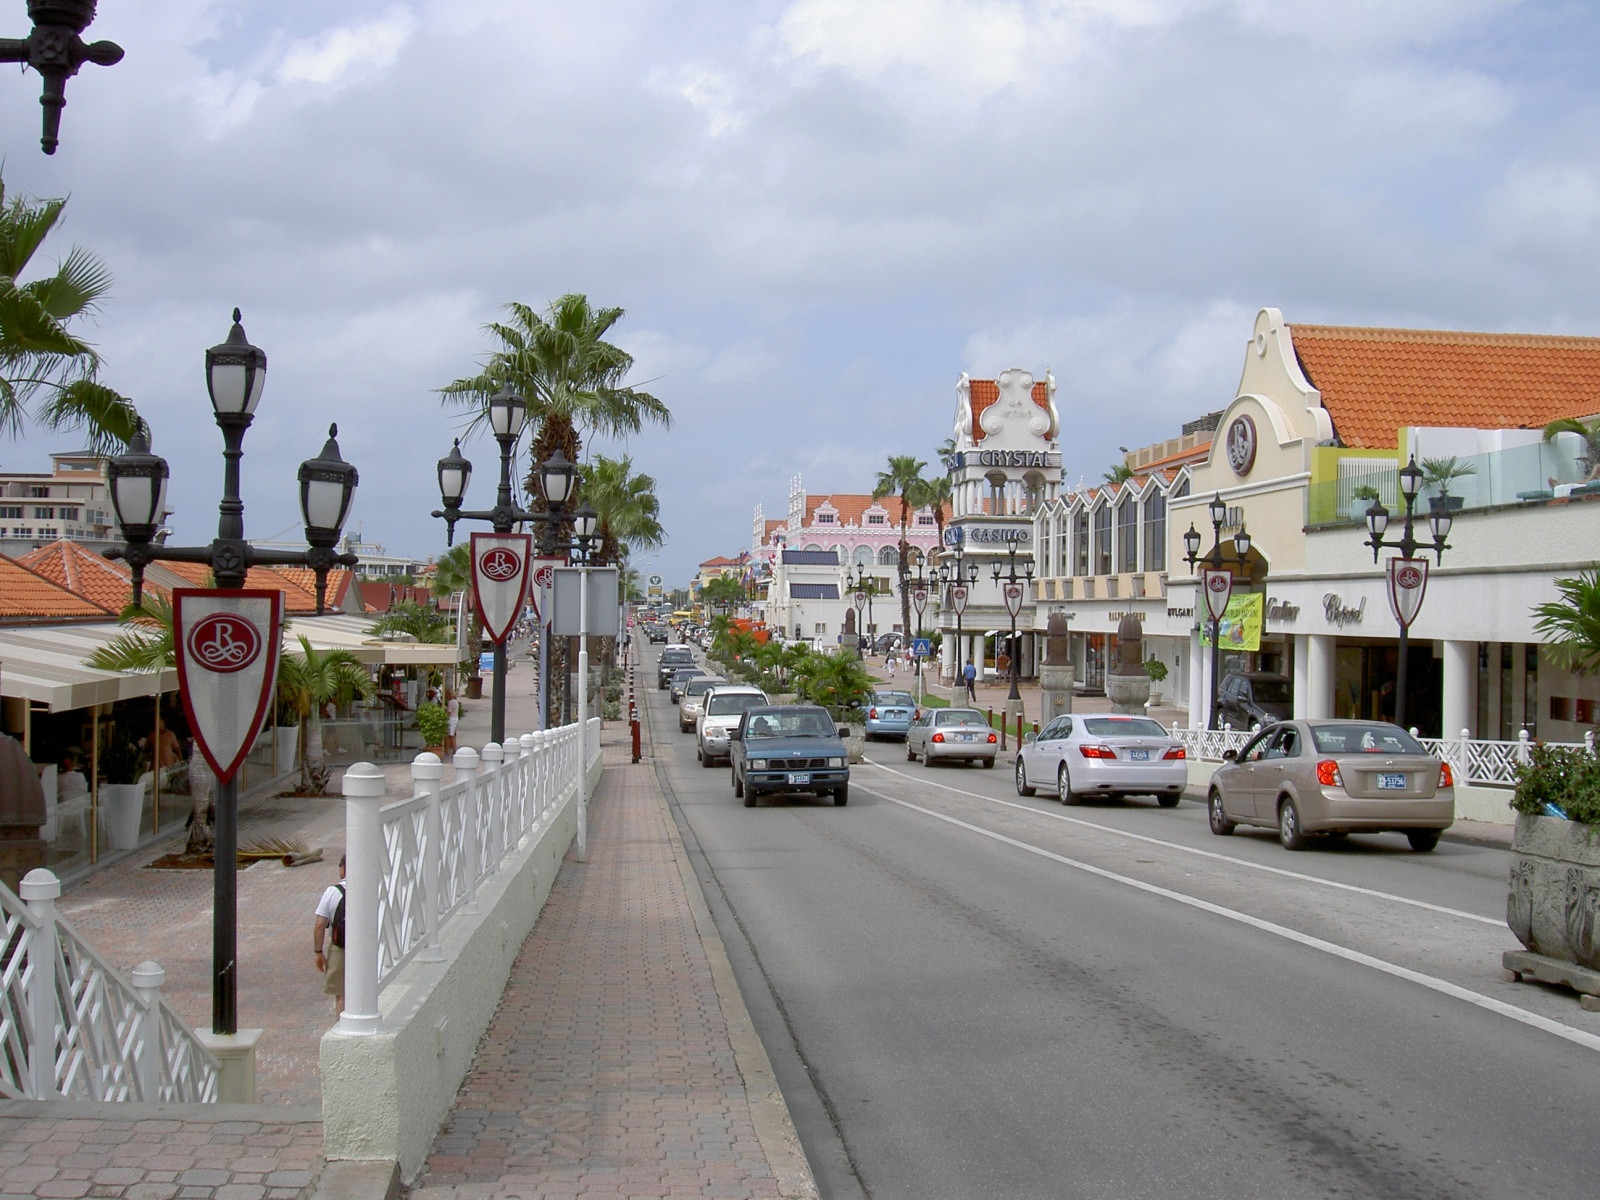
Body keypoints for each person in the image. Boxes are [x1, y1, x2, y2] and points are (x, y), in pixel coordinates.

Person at [312, 855, 347, 1018]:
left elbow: (320, 924)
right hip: (366, 948)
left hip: (340, 947)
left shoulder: (333, 892)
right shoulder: (370, 888)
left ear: (343, 869)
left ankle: (341, 1025)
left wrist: (318, 952)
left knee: (341, 993)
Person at [445, 688, 460, 753]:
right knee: (450, 734)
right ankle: (448, 749)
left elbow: (449, 712)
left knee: (451, 734)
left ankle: (454, 749)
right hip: (455, 718)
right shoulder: (455, 701)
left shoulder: (451, 702)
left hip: (452, 719)